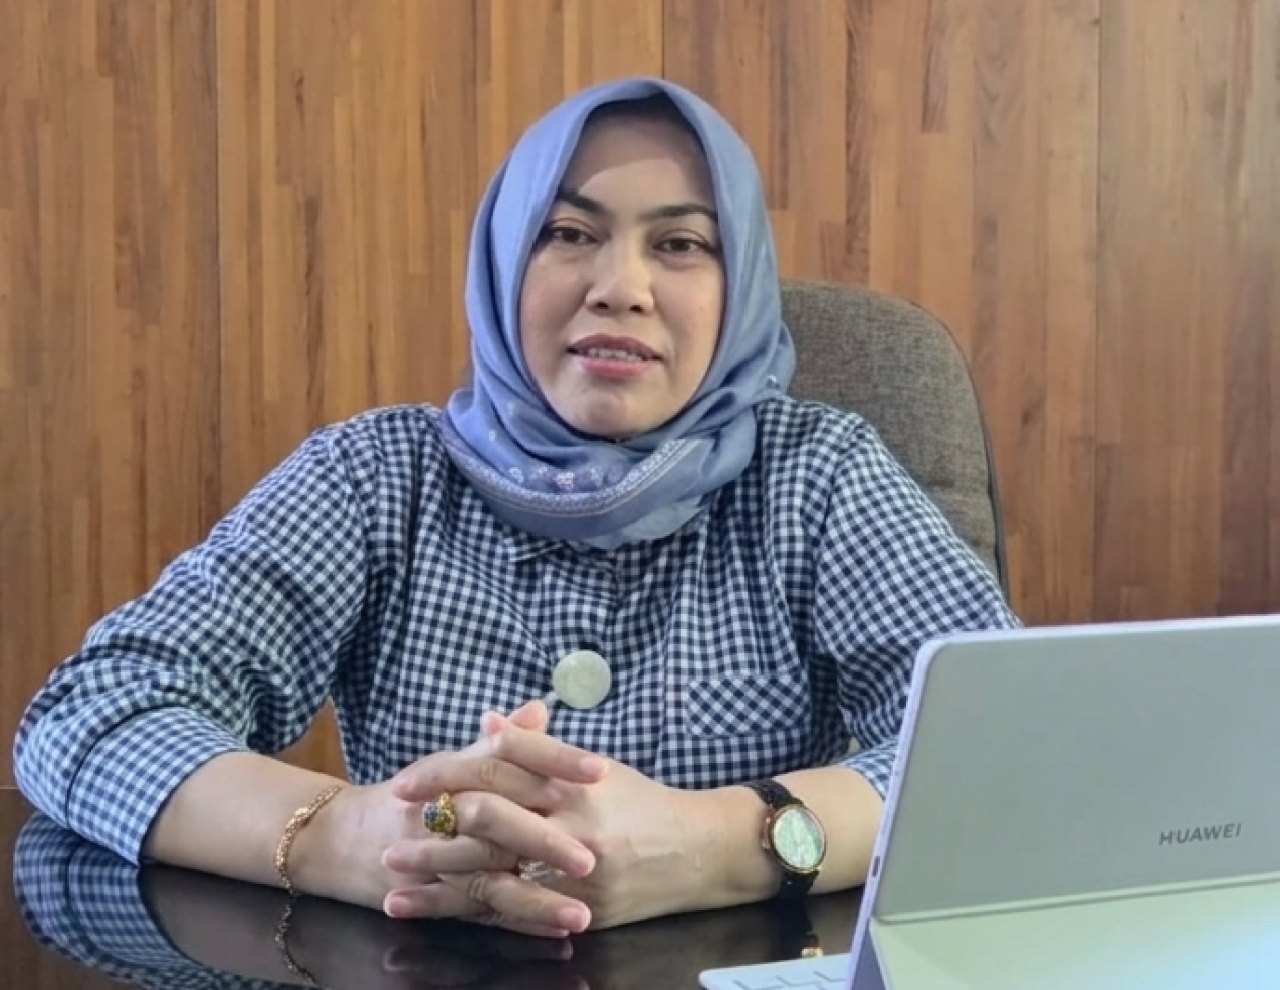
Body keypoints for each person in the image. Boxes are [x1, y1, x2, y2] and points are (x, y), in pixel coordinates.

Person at [13, 76, 1018, 938]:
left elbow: (1011, 747)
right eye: (569, 233)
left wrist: (719, 842)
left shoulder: (818, 474)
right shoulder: (378, 477)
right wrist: (346, 837)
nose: (619, 287)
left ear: (740, 285)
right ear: (503, 264)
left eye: (680, 244)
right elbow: (87, 714)